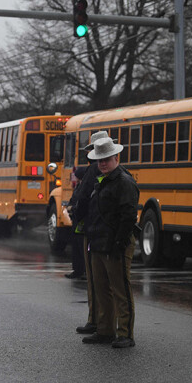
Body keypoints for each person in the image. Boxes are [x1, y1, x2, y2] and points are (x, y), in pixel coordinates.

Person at [81, 137, 139, 349]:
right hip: (99, 242)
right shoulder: (103, 180)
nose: (102, 163)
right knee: (102, 289)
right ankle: (105, 331)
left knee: (120, 290)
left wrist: (119, 242)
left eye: (106, 159)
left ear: (116, 157)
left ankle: (125, 334)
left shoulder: (124, 181)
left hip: (115, 244)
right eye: (100, 160)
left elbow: (128, 215)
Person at [70, 131, 113, 335]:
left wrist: (76, 214)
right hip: (97, 229)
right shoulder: (100, 171)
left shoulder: (93, 171)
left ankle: (96, 321)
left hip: (93, 230)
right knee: (99, 281)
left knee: (97, 281)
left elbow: (83, 198)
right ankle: (98, 321)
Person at [65, 165, 88, 279]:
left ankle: (83, 270)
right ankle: (77, 270)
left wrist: (73, 208)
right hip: (76, 220)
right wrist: (69, 206)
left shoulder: (85, 187)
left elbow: (82, 203)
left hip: (82, 221)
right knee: (76, 246)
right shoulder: (79, 186)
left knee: (81, 247)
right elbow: (73, 199)